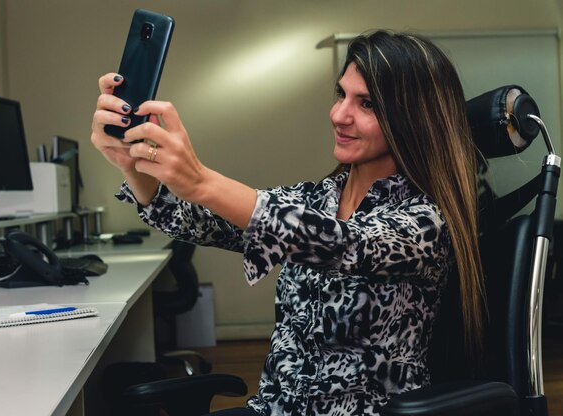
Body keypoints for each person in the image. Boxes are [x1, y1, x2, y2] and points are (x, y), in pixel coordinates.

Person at [91, 30, 483, 416]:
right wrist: (135, 168)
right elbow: (210, 223)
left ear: (413, 118)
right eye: (341, 94)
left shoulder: (425, 222)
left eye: (366, 104)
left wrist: (201, 180)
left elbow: (340, 243)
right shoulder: (320, 198)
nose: (338, 114)